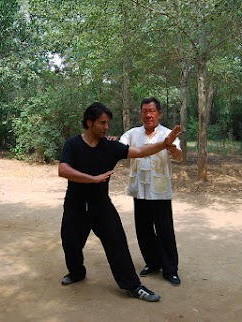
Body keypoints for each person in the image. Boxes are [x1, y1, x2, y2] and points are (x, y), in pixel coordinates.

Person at [58, 102, 181, 302]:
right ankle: (76, 273)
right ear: (89, 123)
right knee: (70, 242)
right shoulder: (73, 144)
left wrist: (164, 144)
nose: (107, 127)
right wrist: (93, 179)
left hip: (101, 205)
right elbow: (63, 170)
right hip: (75, 204)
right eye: (102, 123)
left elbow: (141, 151)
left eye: (107, 123)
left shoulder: (110, 147)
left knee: (117, 243)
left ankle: (133, 286)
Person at [119, 97, 182, 286]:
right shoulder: (132, 134)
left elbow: (179, 156)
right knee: (143, 230)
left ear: (159, 113)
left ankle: (170, 269)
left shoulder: (168, 134)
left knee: (165, 231)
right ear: (141, 113)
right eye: (145, 111)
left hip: (160, 191)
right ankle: (153, 263)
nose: (148, 115)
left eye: (152, 111)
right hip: (140, 190)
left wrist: (172, 149)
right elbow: (120, 147)